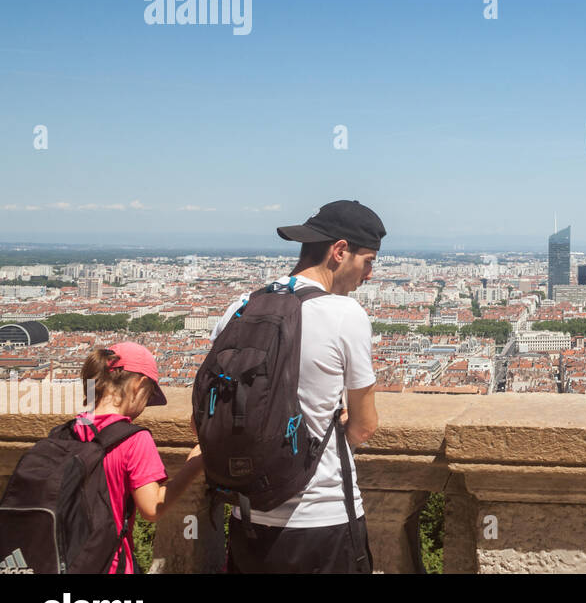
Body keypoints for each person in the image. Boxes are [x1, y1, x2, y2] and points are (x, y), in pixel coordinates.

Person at [210, 199, 384, 573]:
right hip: (321, 518)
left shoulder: (240, 307)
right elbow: (365, 426)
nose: (368, 274)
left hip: (248, 516)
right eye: (367, 260)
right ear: (339, 251)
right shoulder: (344, 314)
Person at [75, 341, 204, 573]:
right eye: (150, 395)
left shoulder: (73, 428)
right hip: (108, 563)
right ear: (139, 385)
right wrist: (193, 465)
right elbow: (152, 507)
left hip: (68, 558)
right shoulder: (134, 439)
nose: (145, 406)